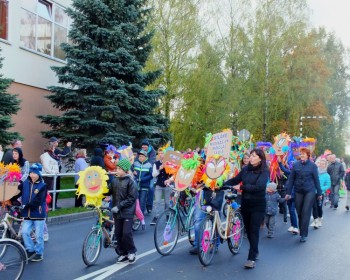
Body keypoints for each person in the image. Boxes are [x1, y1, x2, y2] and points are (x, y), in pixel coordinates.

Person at [224, 149, 269, 269]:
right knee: (248, 230)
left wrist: (242, 187)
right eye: (251, 156)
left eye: (254, 156)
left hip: (258, 204)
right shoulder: (245, 169)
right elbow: (235, 180)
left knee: (254, 230)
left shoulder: (264, 171)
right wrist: (222, 184)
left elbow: (259, 187)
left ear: (260, 158)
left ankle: (251, 258)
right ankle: (255, 249)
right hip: (246, 203)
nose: (251, 158)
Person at [105, 158, 138, 264]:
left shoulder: (131, 182)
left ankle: (132, 252)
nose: (117, 170)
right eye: (117, 168)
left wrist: (119, 206)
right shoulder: (114, 181)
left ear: (126, 170)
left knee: (126, 233)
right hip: (117, 212)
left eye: (119, 169)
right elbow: (107, 191)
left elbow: (131, 198)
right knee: (118, 233)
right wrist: (98, 192)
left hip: (127, 211)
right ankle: (123, 253)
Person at [286, 147, 322, 243]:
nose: (301, 155)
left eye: (303, 153)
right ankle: (302, 229)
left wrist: (319, 192)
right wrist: (288, 193)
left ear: (308, 155)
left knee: (306, 211)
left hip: (309, 191)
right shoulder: (296, 165)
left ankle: (303, 234)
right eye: (300, 153)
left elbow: (316, 180)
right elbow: (291, 179)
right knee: (300, 212)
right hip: (298, 191)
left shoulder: (313, 166)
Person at [20, 163, 47, 262]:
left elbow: (38, 200)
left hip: (38, 214)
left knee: (39, 236)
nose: (32, 175)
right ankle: (30, 250)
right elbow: (18, 192)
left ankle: (39, 253)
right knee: (24, 232)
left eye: (34, 173)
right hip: (27, 213)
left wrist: (26, 205)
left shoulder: (43, 185)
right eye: (30, 173)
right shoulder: (25, 183)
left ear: (39, 174)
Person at [49, 137, 72, 208]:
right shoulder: (54, 150)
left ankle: (52, 205)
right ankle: (52, 205)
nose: (57, 143)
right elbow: (64, 153)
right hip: (55, 172)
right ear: (53, 143)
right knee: (55, 188)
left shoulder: (51, 150)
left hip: (53, 172)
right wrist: (67, 146)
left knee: (53, 188)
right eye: (56, 142)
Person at [150, 149, 171, 225]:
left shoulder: (169, 163)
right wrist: (160, 169)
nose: (161, 155)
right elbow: (153, 175)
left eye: (163, 153)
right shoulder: (156, 163)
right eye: (160, 153)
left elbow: (172, 174)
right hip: (159, 185)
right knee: (157, 202)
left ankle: (167, 215)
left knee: (167, 202)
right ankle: (156, 217)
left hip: (167, 185)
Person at [278, 158, 298, 234]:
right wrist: (280, 162)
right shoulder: (290, 173)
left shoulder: (298, 174)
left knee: (292, 210)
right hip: (288, 194)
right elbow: (283, 168)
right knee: (290, 210)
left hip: (295, 195)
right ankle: (293, 225)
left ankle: (296, 226)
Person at [311, 158, 331, 228]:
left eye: (323, 164)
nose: (321, 165)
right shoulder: (315, 172)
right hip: (312, 192)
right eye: (320, 163)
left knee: (319, 207)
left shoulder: (327, 175)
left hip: (320, 193)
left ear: (325, 165)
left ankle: (319, 219)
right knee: (314, 207)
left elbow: (328, 185)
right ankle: (315, 220)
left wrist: (320, 189)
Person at [40, 142, 59, 209]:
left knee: (49, 192)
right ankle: (45, 206)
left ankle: (48, 206)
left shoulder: (51, 155)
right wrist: (53, 172)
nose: (54, 149)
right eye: (53, 147)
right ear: (50, 148)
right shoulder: (45, 156)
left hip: (51, 176)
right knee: (47, 192)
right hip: (47, 176)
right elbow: (46, 167)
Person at [140, 139, 156, 213]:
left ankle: (149, 205)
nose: (143, 147)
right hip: (142, 171)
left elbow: (152, 161)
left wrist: (145, 165)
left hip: (150, 172)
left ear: (148, 146)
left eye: (145, 146)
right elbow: (138, 159)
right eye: (142, 146)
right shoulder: (141, 151)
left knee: (151, 187)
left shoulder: (152, 152)